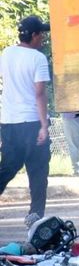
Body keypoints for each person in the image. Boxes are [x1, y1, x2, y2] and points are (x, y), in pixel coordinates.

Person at [0, 15, 51, 228]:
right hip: (31, 121)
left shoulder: (6, 53)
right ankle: (35, 217)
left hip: (9, 121)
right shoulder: (37, 58)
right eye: (42, 35)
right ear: (35, 35)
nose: (43, 39)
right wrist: (43, 125)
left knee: (8, 166)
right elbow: (39, 93)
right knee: (38, 172)